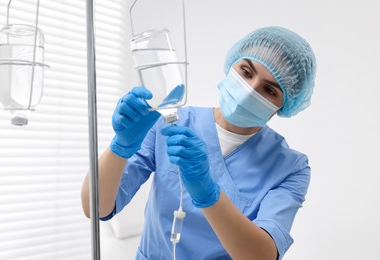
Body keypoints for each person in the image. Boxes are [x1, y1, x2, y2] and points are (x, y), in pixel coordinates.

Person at [81, 26, 317, 260]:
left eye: (269, 90)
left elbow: (261, 256)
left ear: (285, 105)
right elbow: (96, 207)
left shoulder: (290, 168)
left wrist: (208, 192)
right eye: (246, 72)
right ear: (231, 65)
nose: (249, 90)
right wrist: (120, 147)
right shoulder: (170, 123)